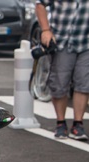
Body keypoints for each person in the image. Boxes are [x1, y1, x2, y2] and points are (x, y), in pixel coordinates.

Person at [36, 0, 88, 140]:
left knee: (84, 83)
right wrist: (46, 30)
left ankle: (78, 124)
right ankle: (61, 123)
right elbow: (40, 4)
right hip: (62, 41)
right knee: (59, 84)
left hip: (86, 42)